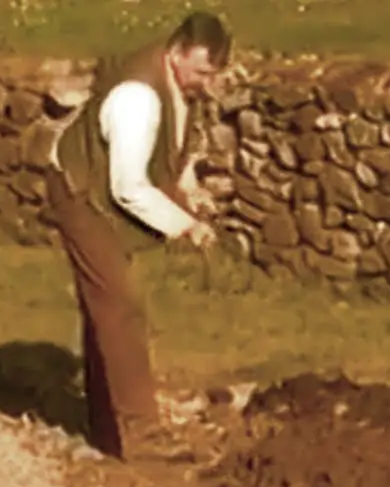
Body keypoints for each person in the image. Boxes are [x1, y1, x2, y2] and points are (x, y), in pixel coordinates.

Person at [46, 11, 231, 463]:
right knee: (120, 305)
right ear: (176, 52)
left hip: (102, 184)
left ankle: (107, 428)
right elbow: (127, 187)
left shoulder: (178, 84)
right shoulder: (136, 98)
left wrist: (189, 190)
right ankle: (141, 434)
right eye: (201, 71)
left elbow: (174, 147)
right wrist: (186, 225)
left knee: (105, 307)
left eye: (214, 73)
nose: (206, 82)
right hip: (78, 191)